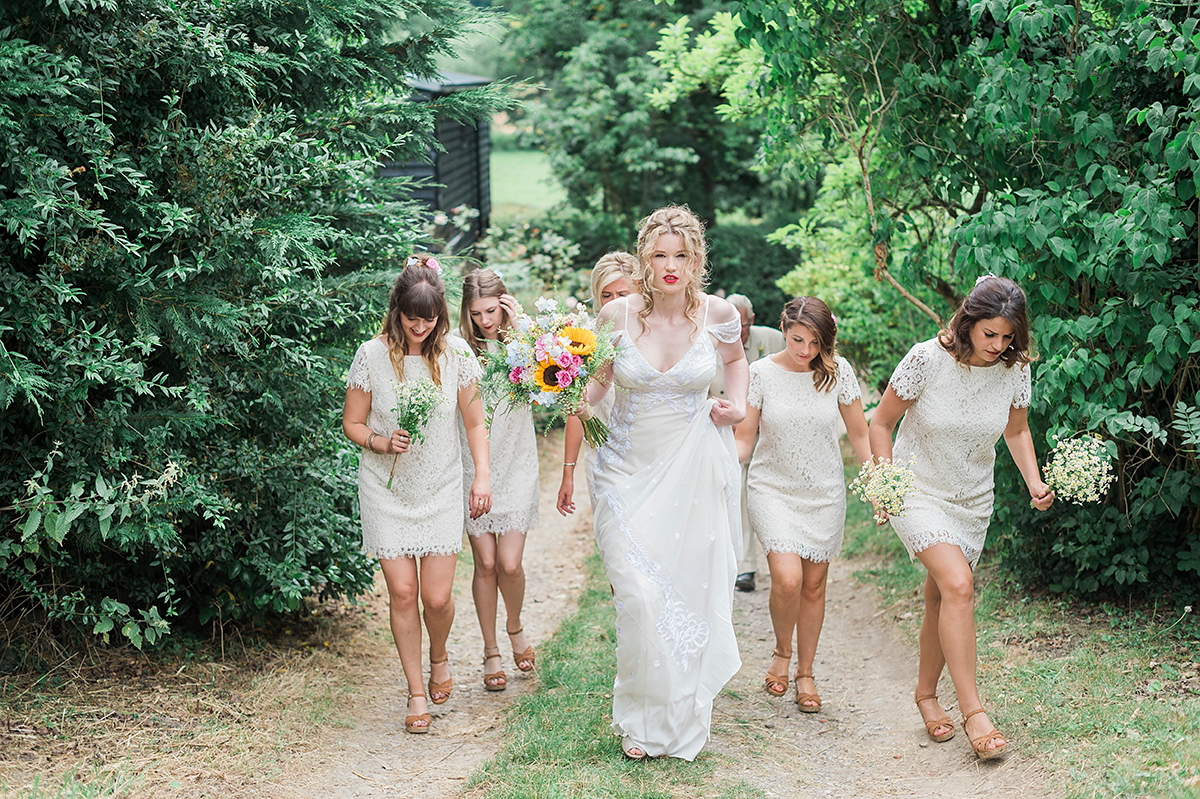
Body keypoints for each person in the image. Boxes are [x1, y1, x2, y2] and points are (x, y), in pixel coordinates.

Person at [581, 205, 747, 761]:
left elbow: (737, 361)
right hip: (625, 475)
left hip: (695, 470)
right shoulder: (617, 317)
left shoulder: (718, 313)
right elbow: (600, 383)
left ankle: (674, 718)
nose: (670, 265)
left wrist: (738, 405)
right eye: (659, 255)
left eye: (681, 255)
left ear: (696, 258)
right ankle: (639, 715)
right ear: (644, 259)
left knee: (685, 597)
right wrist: (562, 392)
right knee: (639, 596)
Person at [868, 275, 1054, 760]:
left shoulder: (1014, 369)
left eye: (1008, 336)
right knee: (959, 584)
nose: (999, 345)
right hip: (915, 487)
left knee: (941, 594)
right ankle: (975, 712)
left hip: (972, 498)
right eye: (990, 334)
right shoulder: (926, 360)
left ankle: (926, 696)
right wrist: (885, 483)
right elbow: (882, 422)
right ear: (969, 322)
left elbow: (1017, 431)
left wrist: (1034, 481)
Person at [342, 255, 492, 735]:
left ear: (440, 314)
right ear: (397, 310)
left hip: (441, 485)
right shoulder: (371, 355)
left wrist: (481, 476)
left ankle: (440, 654)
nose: (420, 328)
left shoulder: (456, 357)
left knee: (437, 597)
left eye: (429, 319)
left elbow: (473, 422)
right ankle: (415, 693)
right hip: (386, 490)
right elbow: (352, 423)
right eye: (412, 318)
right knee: (404, 593)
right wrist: (382, 443)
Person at [733, 297, 871, 712]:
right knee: (788, 579)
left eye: (815, 343)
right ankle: (781, 652)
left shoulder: (837, 372)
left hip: (824, 492)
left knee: (813, 585)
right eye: (797, 340)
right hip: (772, 488)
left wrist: (878, 482)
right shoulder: (760, 373)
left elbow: (861, 435)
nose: (805, 351)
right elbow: (744, 439)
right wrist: (714, 465)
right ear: (783, 329)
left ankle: (806, 673)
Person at [458, 269, 540, 692]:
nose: (484, 321)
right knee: (486, 563)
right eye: (476, 314)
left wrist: (520, 325)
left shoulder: (521, 344)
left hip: (518, 461)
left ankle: (515, 625)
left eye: (491, 311)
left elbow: (546, 380)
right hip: (477, 465)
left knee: (510, 563)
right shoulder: (460, 351)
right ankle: (491, 650)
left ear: (503, 304)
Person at [710, 293, 785, 593]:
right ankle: (745, 568)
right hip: (729, 435)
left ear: (751, 322)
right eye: (731, 324)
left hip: (768, 434)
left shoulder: (773, 339)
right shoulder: (710, 345)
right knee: (737, 490)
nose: (737, 331)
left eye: (742, 326)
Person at [556, 252, 637, 517]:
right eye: (606, 295)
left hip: (644, 455)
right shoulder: (583, 341)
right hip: (602, 460)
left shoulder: (653, 336)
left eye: (622, 295)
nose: (614, 303)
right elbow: (577, 410)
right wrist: (568, 471)